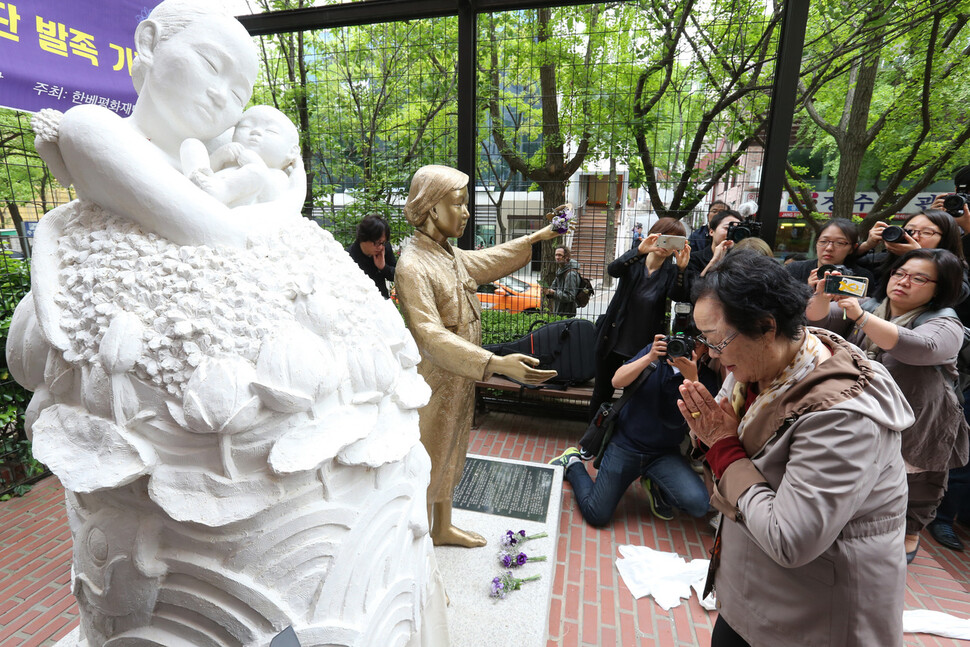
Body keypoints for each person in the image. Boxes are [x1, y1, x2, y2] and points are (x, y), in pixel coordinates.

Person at [677, 250, 913, 647]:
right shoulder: (768, 365)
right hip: (751, 589)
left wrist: (722, 448)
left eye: (717, 340)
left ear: (766, 326)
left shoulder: (842, 416)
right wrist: (715, 438)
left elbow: (791, 538)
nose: (710, 354)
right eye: (704, 340)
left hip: (816, 614)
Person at [32, 2, 306, 250]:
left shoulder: (225, 152)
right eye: (211, 64)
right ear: (150, 42)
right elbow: (222, 233)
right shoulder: (92, 127)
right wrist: (295, 194)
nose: (221, 95)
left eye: (238, 95)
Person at [395, 164, 559, 547]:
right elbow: (430, 336)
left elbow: (490, 261)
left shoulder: (447, 254)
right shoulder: (413, 265)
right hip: (434, 379)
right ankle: (415, 549)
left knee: (452, 449)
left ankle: (442, 527)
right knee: (429, 456)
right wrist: (496, 363)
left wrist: (539, 236)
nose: (466, 212)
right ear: (432, 208)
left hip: (460, 376)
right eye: (458, 203)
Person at [807, 248, 970, 563]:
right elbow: (819, 320)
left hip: (920, 422)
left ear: (941, 287)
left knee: (916, 486)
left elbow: (922, 349)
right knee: (857, 480)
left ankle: (907, 539)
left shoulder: (945, 323)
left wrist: (861, 317)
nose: (904, 282)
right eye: (900, 273)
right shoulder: (871, 306)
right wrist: (823, 296)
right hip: (862, 415)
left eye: (919, 278)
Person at [550, 335, 715, 526]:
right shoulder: (655, 355)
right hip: (625, 445)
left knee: (699, 505)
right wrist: (649, 357)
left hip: (663, 454)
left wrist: (691, 378)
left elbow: (703, 420)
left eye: (698, 343)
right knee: (597, 515)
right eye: (686, 340)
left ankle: (655, 483)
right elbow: (617, 381)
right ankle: (573, 463)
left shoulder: (706, 378)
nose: (690, 347)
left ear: (706, 350)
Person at [588, 218, 691, 419]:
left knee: (635, 395)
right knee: (602, 393)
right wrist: (639, 251)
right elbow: (613, 270)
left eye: (673, 242)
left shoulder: (670, 271)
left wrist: (681, 270)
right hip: (612, 339)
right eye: (663, 238)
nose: (665, 246)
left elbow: (678, 295)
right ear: (654, 236)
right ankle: (590, 443)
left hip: (644, 347)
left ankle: (621, 441)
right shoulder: (634, 263)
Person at [180, 105, 301, 207]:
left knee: (257, 172)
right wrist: (219, 156)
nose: (256, 131)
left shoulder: (278, 175)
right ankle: (196, 174)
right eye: (246, 126)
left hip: (226, 202)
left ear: (292, 151)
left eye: (271, 131)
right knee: (191, 144)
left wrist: (254, 161)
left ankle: (220, 191)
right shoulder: (229, 162)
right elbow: (212, 169)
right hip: (205, 182)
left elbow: (270, 196)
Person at [785, 218, 873, 288]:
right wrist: (807, 290)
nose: (829, 248)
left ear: (852, 248)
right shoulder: (794, 270)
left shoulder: (861, 277)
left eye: (840, 243)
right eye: (823, 241)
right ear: (816, 242)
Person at [346, 214, 396, 299]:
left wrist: (383, 267)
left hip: (382, 299)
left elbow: (397, 277)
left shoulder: (384, 249)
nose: (380, 247)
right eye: (377, 243)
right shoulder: (348, 257)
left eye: (383, 243)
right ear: (364, 238)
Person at [685, 209, 742, 281]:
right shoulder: (694, 259)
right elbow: (695, 289)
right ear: (711, 231)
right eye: (727, 228)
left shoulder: (742, 260)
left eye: (737, 230)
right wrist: (714, 261)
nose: (732, 233)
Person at [544, 246, 582, 316]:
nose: (557, 257)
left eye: (560, 255)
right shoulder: (560, 270)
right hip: (559, 310)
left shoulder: (570, 274)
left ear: (566, 257)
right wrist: (548, 291)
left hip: (567, 313)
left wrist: (554, 293)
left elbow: (570, 296)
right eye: (556, 255)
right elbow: (553, 287)